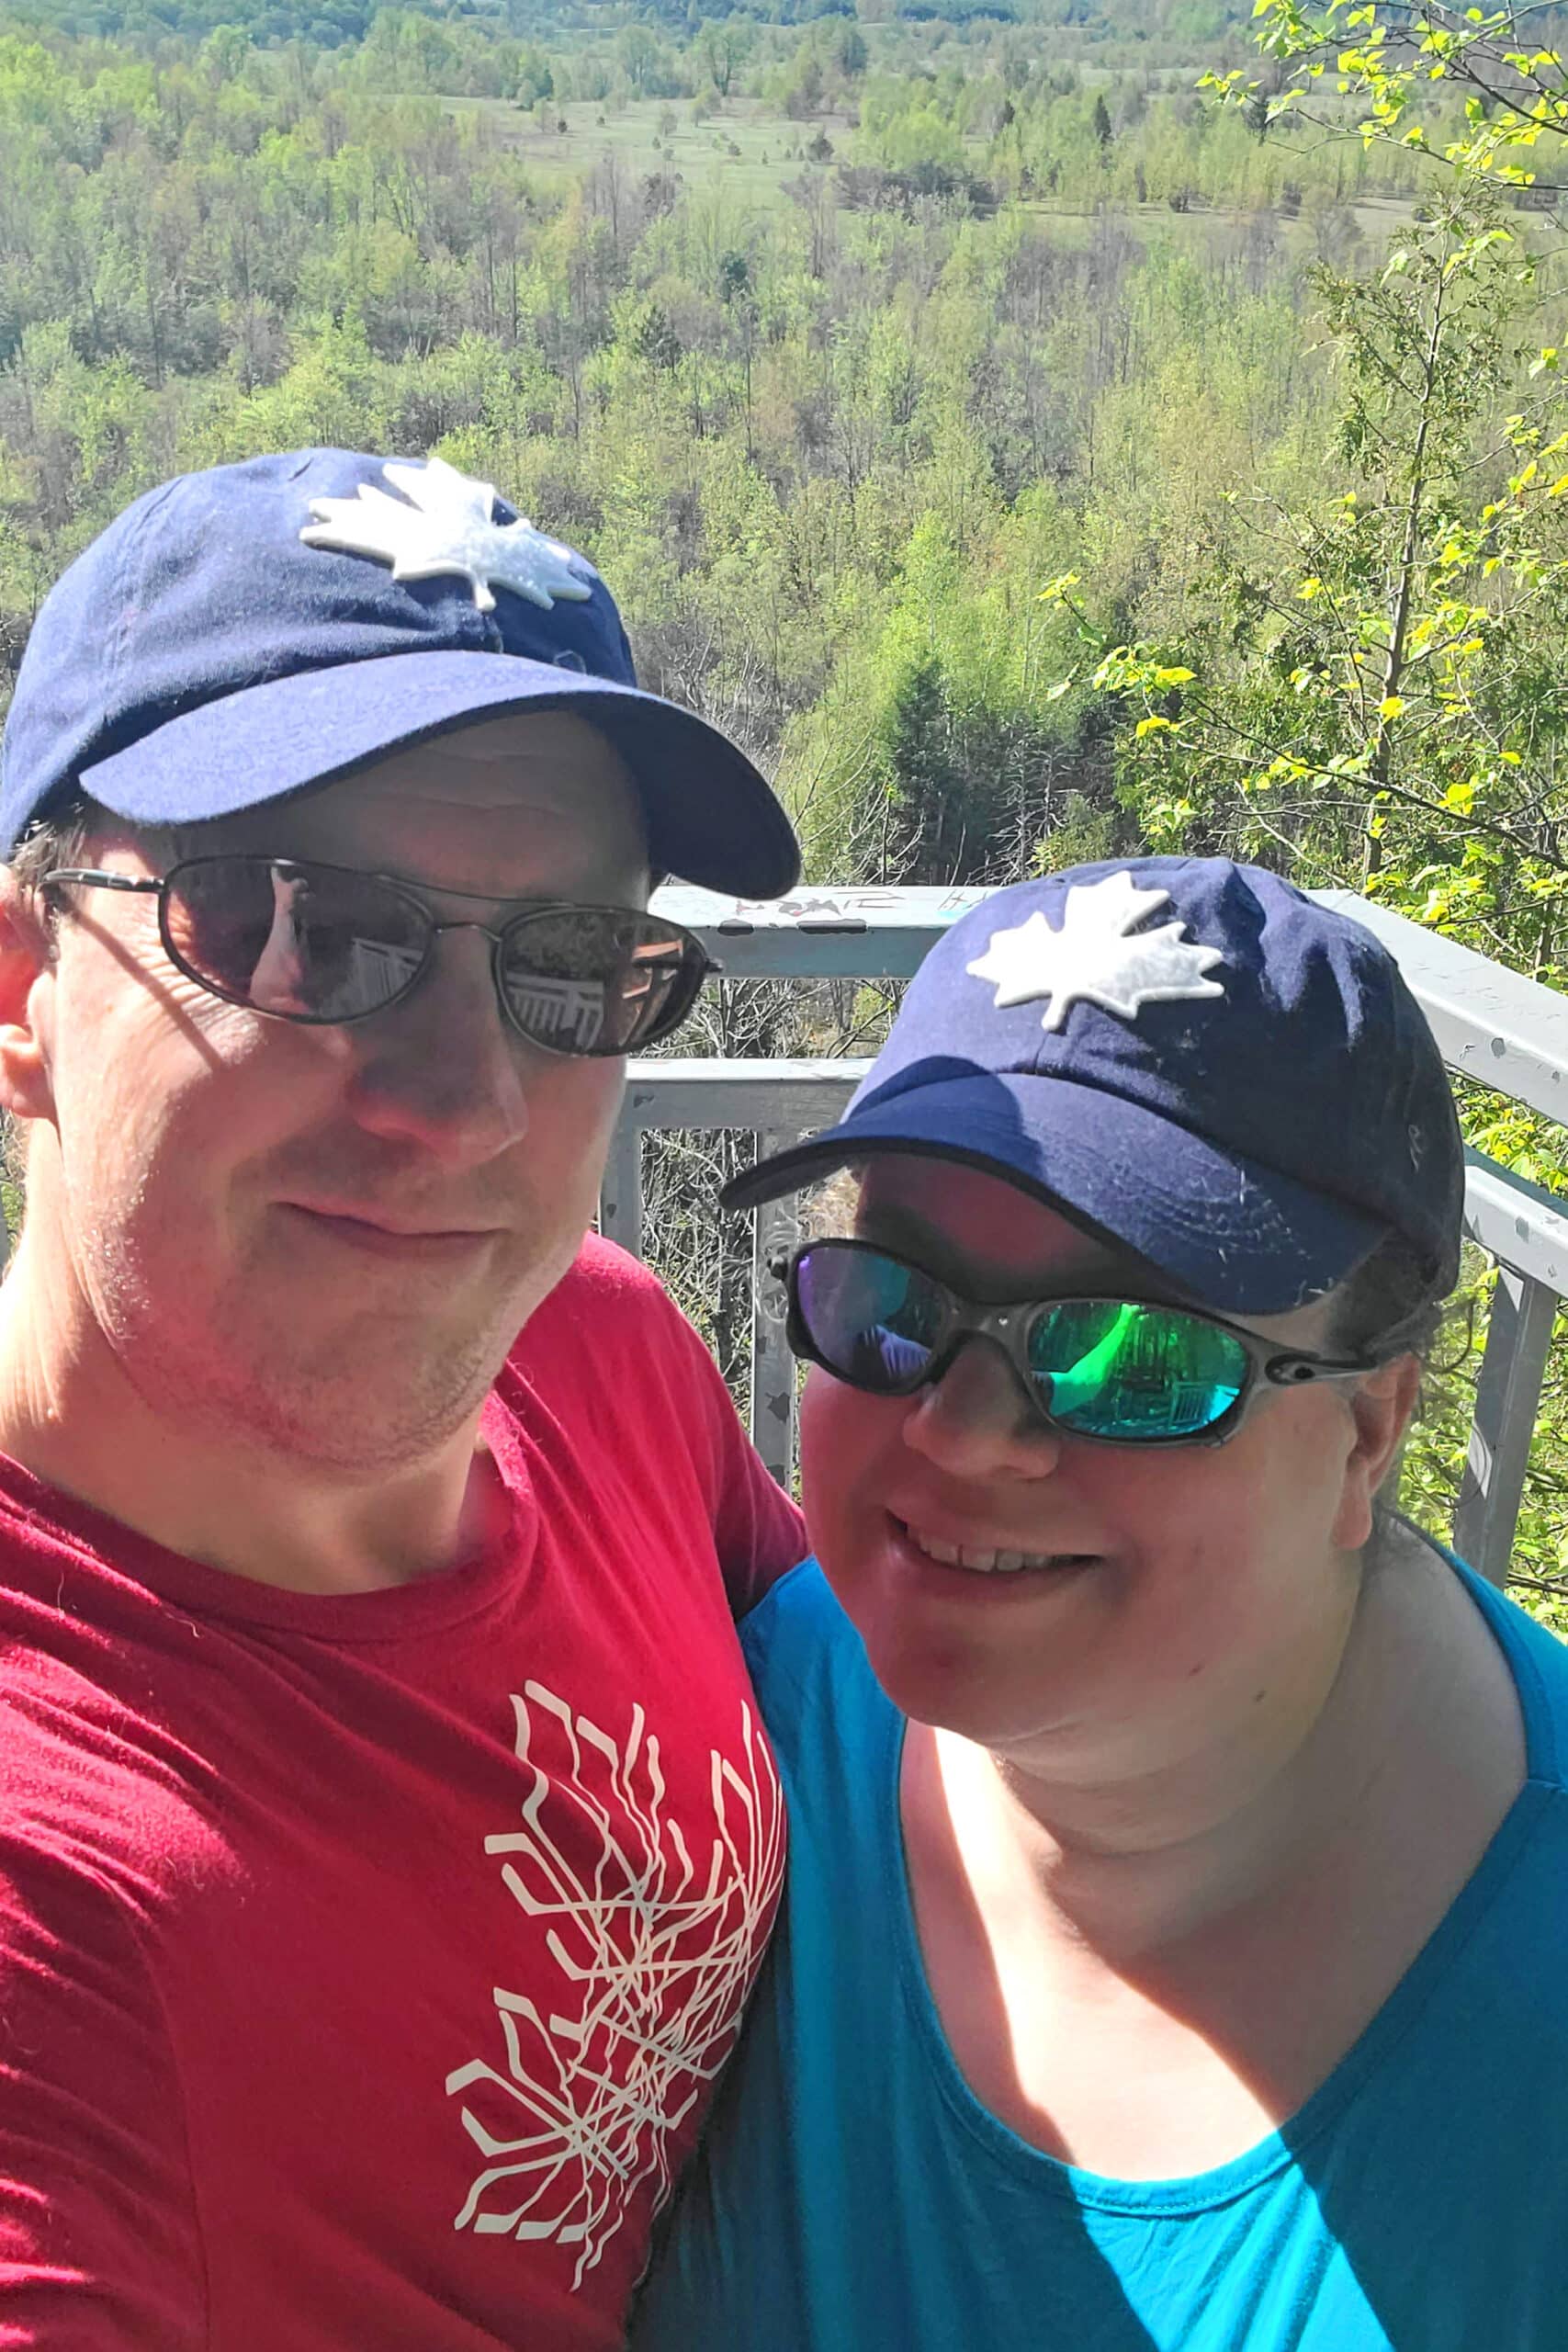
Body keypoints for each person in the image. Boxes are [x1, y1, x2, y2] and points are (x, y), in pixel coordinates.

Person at [0, 447, 808, 2349]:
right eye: (301, 926)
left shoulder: (598, 1357)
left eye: (566, 968)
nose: (460, 1104)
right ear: (24, 988)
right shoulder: (54, 1880)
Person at [635, 858, 1568, 2350]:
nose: (958, 1432)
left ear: (1370, 1431)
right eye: (896, 1302)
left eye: (1133, 1353)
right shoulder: (747, 1738)